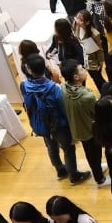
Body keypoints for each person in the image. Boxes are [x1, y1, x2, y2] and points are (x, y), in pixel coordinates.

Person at [21, 53, 87, 184]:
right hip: (59, 125)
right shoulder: (55, 87)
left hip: (41, 124)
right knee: (68, 149)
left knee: (51, 146)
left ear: (29, 70)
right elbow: (63, 109)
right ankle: (74, 176)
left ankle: (60, 170)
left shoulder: (24, 85)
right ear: (44, 67)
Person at [60, 59, 108, 186]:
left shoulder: (63, 88)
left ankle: (97, 169)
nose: (85, 70)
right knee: (95, 154)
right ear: (76, 77)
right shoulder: (87, 97)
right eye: (81, 69)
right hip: (90, 130)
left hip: (77, 128)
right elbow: (97, 113)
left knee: (90, 153)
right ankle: (100, 179)